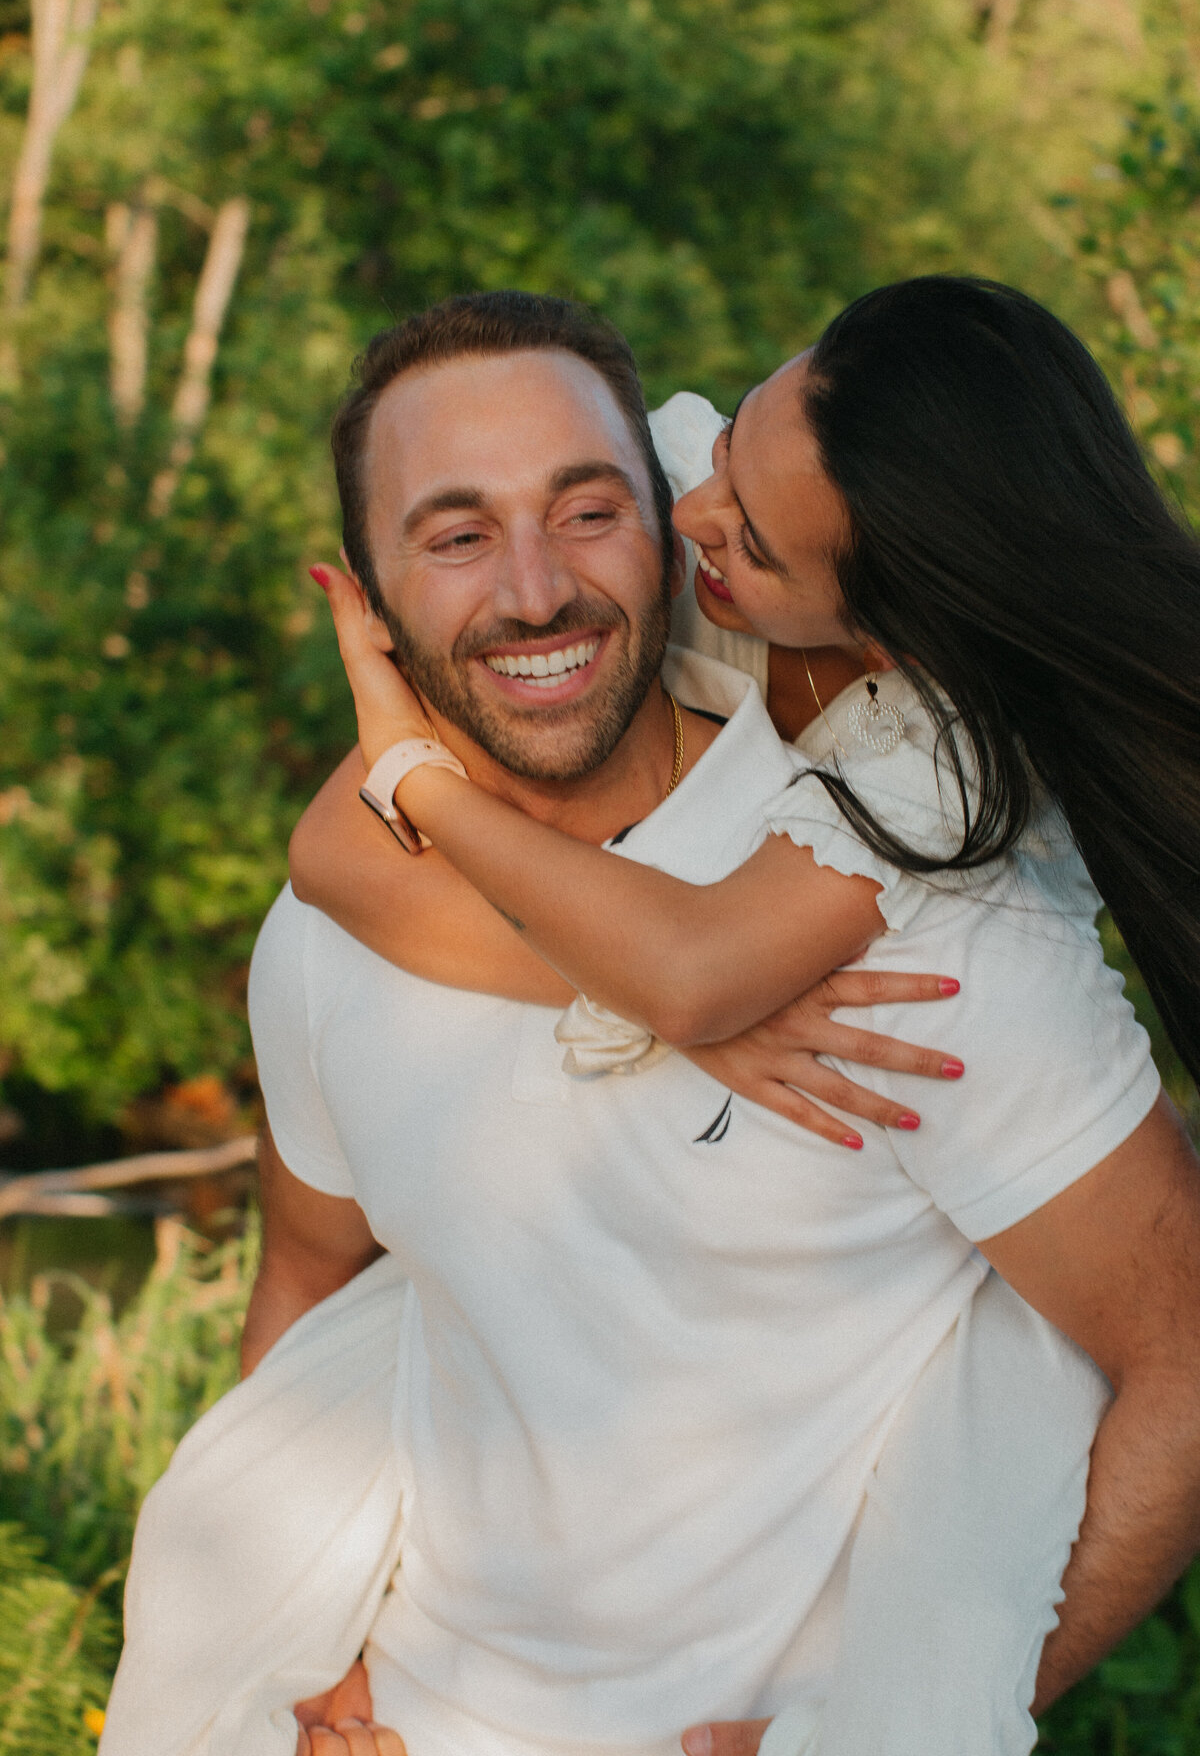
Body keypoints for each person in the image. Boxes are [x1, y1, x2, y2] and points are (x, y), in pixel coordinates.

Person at [101, 287, 1200, 1756]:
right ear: (361, 592)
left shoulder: (928, 900)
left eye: (590, 510)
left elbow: (1186, 1351)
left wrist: (895, 1721)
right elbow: (312, 1285)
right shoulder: (336, 931)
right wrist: (311, 1642)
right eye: (454, 533)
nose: (540, 588)